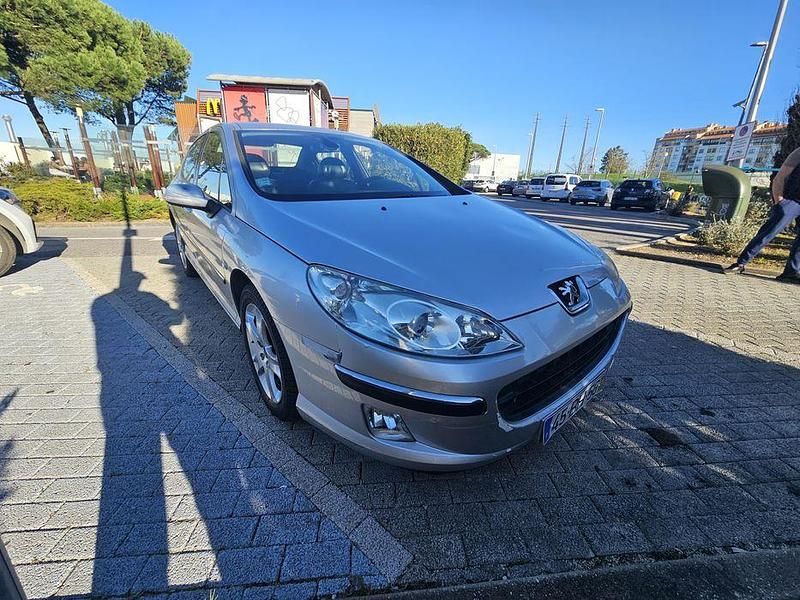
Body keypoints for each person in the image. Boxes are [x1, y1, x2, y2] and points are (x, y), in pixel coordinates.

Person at [723, 146, 800, 283]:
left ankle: (791, 273)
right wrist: (779, 202)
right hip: (791, 201)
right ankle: (741, 263)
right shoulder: (798, 152)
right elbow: (780, 177)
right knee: (768, 232)